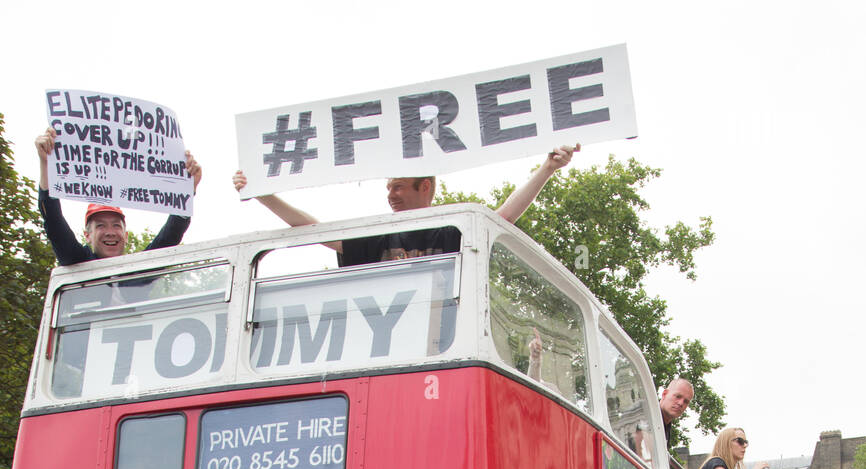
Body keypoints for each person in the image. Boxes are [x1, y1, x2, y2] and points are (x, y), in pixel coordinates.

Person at [232, 146, 578, 265]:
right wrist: (264, 195)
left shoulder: (452, 231)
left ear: (424, 187)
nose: (390, 195)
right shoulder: (380, 237)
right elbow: (315, 230)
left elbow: (503, 216)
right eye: (387, 187)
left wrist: (547, 169)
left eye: (398, 186)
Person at [35, 125, 202, 265]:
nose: (110, 232)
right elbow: (53, 221)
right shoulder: (76, 262)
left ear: (126, 236)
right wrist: (46, 163)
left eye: (116, 225)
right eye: (100, 226)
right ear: (87, 236)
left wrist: (187, 190)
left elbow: (168, 239)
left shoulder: (136, 273)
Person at [658, 377, 694, 444]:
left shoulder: (665, 426)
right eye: (678, 396)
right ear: (664, 394)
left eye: (686, 401)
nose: (681, 403)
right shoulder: (643, 413)